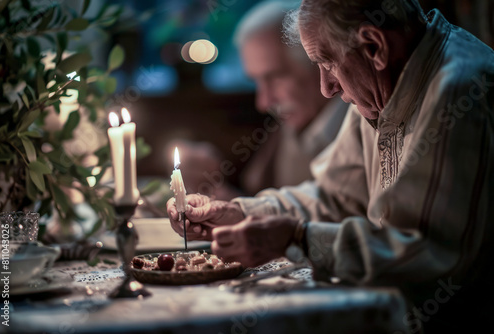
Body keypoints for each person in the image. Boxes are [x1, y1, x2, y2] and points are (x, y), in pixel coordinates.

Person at [168, 0, 494, 332]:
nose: (327, 88)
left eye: (327, 63)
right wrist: (239, 213)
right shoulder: (380, 80)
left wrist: (298, 238)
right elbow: (333, 197)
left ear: (373, 45)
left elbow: (427, 254)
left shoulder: (457, 92)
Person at [169, 0, 348, 200]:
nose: (263, 102)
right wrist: (212, 180)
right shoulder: (294, 122)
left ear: (319, 62)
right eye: (257, 82)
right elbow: (263, 202)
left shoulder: (358, 129)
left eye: (274, 77)